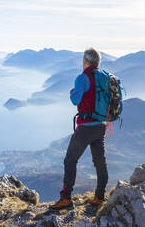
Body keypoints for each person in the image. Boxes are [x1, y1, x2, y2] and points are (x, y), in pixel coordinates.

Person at [50, 48, 108, 211]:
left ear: (85, 61)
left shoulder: (83, 77)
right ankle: (99, 196)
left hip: (86, 127)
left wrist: (72, 91)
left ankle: (66, 199)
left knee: (70, 160)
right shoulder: (104, 76)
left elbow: (75, 99)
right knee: (100, 161)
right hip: (101, 125)